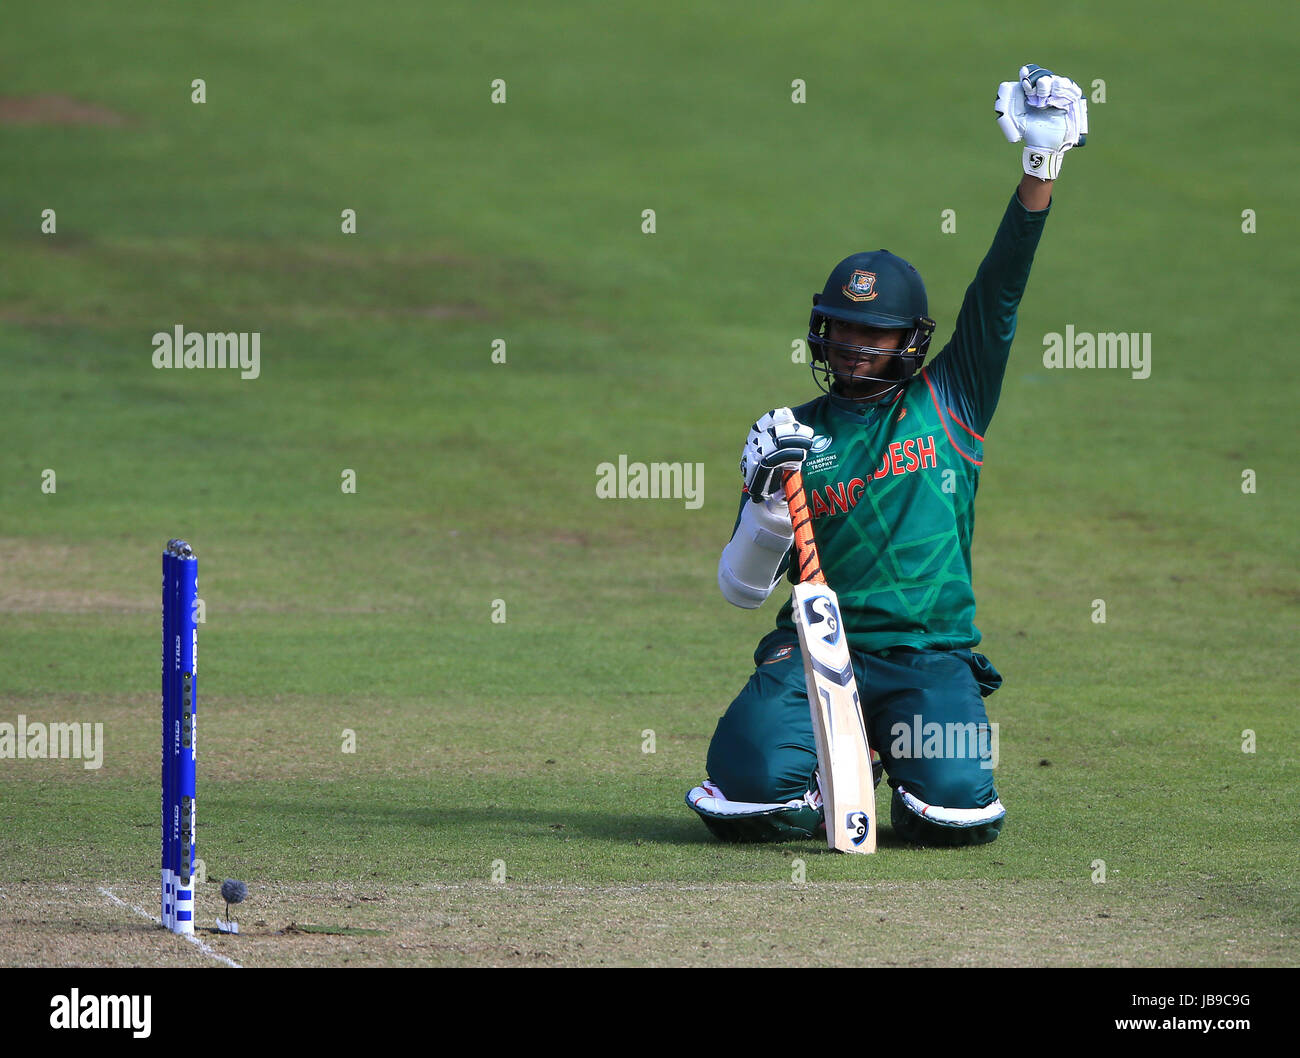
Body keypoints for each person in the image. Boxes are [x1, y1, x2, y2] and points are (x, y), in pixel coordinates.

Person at [686, 65, 1088, 847]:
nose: (854, 346)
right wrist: (769, 504)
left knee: (959, 812)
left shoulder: (952, 400)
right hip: (816, 657)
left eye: (873, 333)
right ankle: (819, 766)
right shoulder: (788, 436)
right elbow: (740, 591)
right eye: (841, 329)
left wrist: (1039, 170)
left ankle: (898, 767)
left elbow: (999, 293)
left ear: (912, 340)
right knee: (747, 798)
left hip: (928, 656)